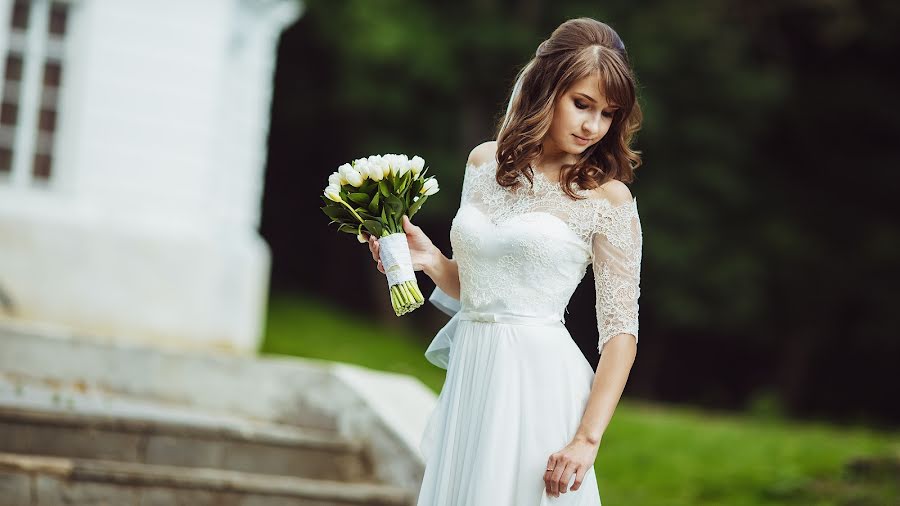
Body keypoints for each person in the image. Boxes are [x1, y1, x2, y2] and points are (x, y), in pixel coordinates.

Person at [365, 17, 643, 505]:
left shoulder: (607, 198)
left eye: (607, 114)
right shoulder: (483, 164)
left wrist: (586, 440)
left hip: (539, 383)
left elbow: (621, 332)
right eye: (582, 104)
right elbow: (478, 287)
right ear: (546, 89)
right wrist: (429, 259)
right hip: (474, 374)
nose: (592, 126)